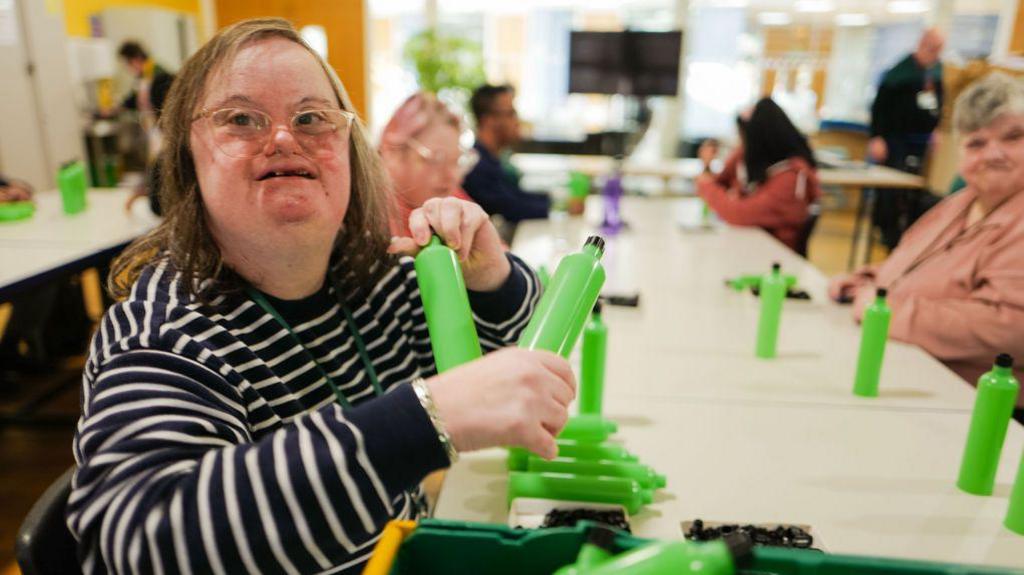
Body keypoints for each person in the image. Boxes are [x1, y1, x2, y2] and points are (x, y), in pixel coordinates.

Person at [68, 19, 575, 574]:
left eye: (311, 118)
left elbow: (512, 363)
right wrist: (425, 419)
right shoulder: (165, 332)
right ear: (187, 160)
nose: (284, 138)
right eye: (240, 119)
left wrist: (490, 279)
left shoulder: (373, 276)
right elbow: (137, 545)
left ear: (349, 150)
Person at [830, 72, 1024, 410]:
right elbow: (914, 265)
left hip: (975, 408)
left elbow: (1009, 329)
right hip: (905, 373)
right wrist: (872, 281)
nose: (993, 154)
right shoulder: (960, 203)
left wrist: (884, 312)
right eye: (976, 143)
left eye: (1013, 137)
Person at [695, 97, 821, 255]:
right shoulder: (762, 165)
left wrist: (706, 185)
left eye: (745, 137)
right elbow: (721, 183)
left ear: (759, 139)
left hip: (775, 261)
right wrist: (708, 165)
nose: (740, 143)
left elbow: (740, 214)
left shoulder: (790, 179)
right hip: (754, 249)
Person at [868, 28, 945, 250]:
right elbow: (879, 108)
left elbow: (937, 104)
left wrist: (935, 129)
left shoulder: (934, 72)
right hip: (895, 140)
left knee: (913, 189)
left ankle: (909, 230)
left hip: (920, 142)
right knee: (890, 188)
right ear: (923, 44)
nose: (936, 53)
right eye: (934, 48)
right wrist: (877, 137)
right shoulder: (898, 73)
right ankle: (887, 230)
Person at [463, 84, 581, 224]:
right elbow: (510, 208)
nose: (517, 121)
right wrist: (562, 207)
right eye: (511, 113)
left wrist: (558, 201)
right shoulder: (476, 166)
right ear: (488, 120)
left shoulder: (491, 160)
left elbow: (515, 196)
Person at [378, 92, 478, 237]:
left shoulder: (450, 197)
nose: (452, 176)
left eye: (456, 161)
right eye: (435, 160)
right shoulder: (371, 220)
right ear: (391, 151)